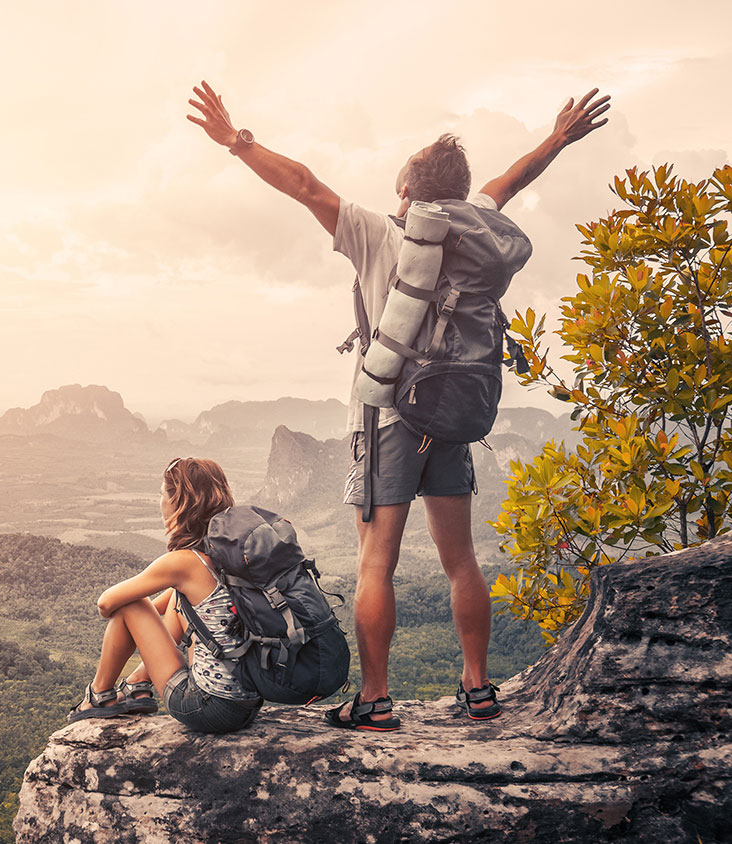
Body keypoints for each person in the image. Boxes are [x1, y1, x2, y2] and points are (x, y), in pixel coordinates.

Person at [185, 81, 610, 729]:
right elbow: (510, 180)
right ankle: (478, 689)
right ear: (460, 194)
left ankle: (375, 699)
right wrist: (557, 137)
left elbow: (304, 184)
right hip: (455, 418)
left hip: (390, 419)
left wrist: (237, 142)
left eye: (400, 185)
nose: (396, 194)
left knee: (375, 561)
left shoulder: (383, 234)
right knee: (461, 559)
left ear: (410, 192)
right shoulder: (478, 228)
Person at [67, 457, 263, 734]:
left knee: (130, 604)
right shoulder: (227, 553)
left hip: (206, 707)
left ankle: (99, 695)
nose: (160, 502)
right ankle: (137, 685)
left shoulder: (183, 562)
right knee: (174, 597)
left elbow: (106, 603)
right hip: (247, 706)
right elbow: (165, 606)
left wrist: (134, 613)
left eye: (162, 495)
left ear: (179, 502)